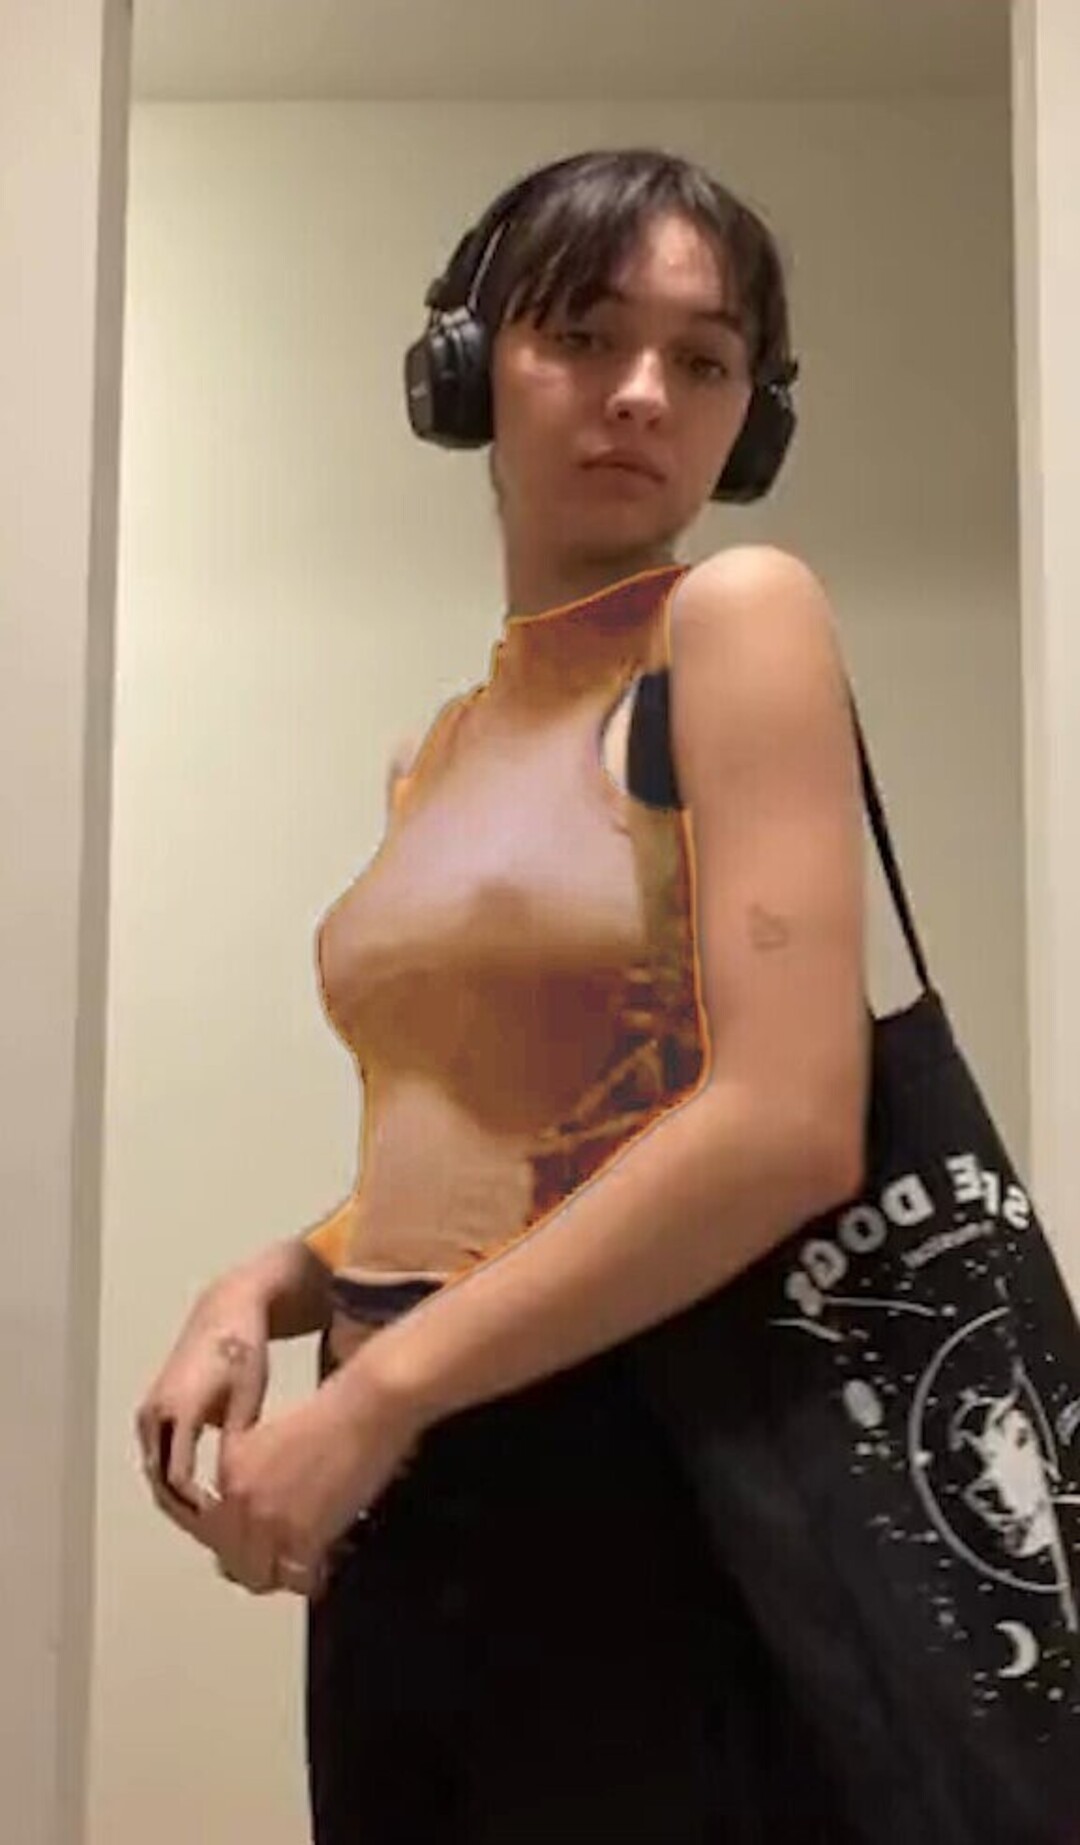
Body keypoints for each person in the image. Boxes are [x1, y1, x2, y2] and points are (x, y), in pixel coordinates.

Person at [136, 147, 868, 1841]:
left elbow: (787, 1121)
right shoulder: (440, 751)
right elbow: (500, 1151)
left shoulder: (737, 620)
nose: (643, 393)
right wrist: (267, 1283)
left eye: (703, 358)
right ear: (466, 367)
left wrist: (383, 1394)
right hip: (402, 1487)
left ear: (751, 418)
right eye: (585, 335)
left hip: (634, 1461)